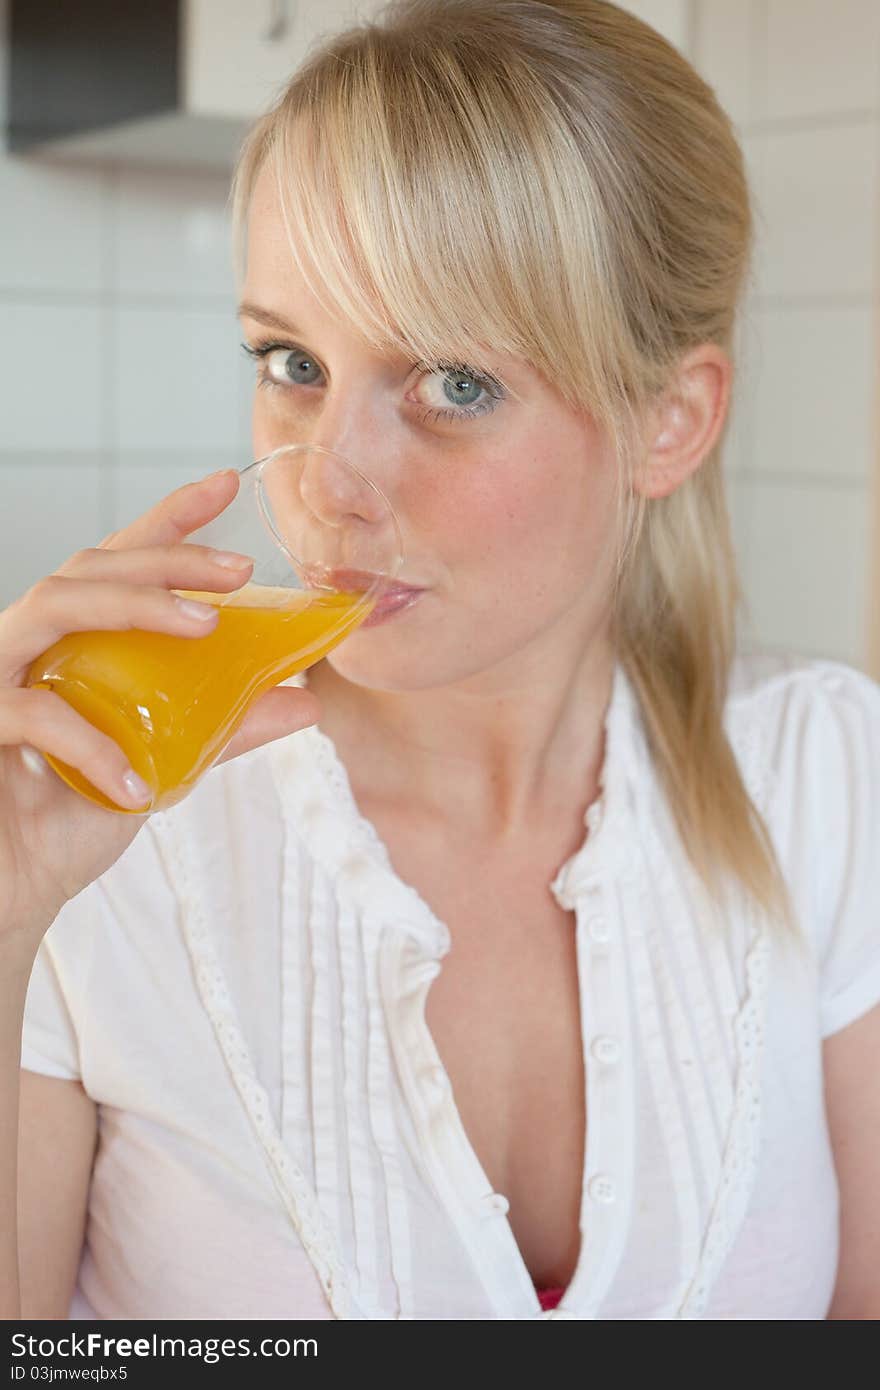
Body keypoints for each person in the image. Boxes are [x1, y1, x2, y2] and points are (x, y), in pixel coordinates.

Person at [2, 0, 878, 1322]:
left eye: (453, 383)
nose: (326, 486)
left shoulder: (824, 776)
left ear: (671, 420)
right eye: (290, 360)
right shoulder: (101, 840)